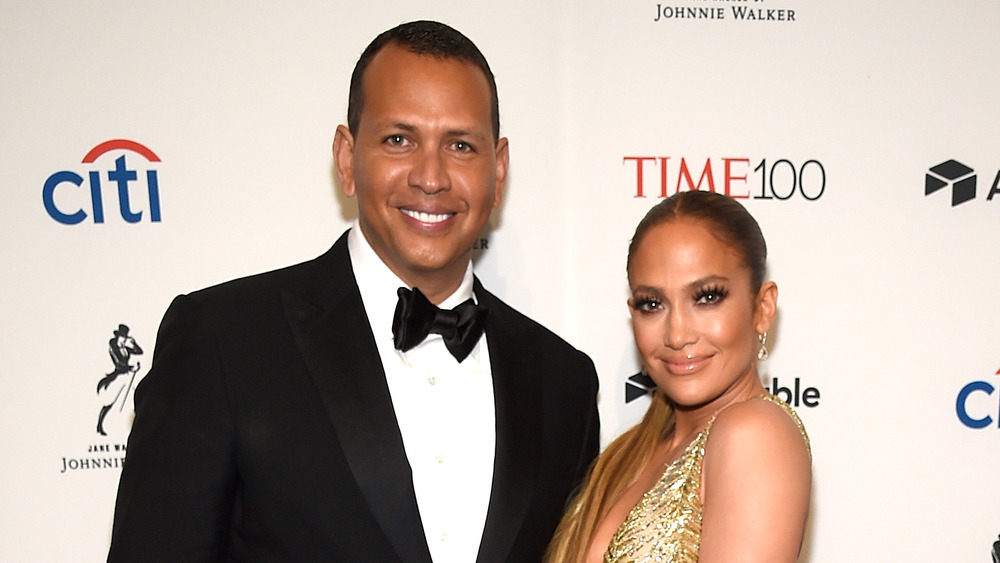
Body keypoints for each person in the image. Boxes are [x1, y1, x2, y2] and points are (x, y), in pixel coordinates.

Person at [107, 20, 599, 562]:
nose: (430, 176)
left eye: (460, 145)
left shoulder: (564, 383)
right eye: (398, 140)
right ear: (346, 158)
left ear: (498, 170)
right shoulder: (225, 341)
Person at [546, 190, 811, 563]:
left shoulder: (753, 432)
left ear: (762, 307)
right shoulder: (630, 453)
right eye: (652, 304)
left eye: (706, 297)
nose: (677, 334)